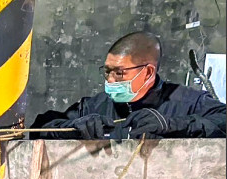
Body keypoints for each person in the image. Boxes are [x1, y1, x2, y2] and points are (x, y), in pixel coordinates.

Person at [29, 31, 226, 139]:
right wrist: (73, 128)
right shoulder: (94, 106)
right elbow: (39, 128)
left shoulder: (186, 102)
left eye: (119, 72)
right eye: (107, 71)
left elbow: (222, 121)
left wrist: (173, 125)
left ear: (148, 72)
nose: (110, 80)